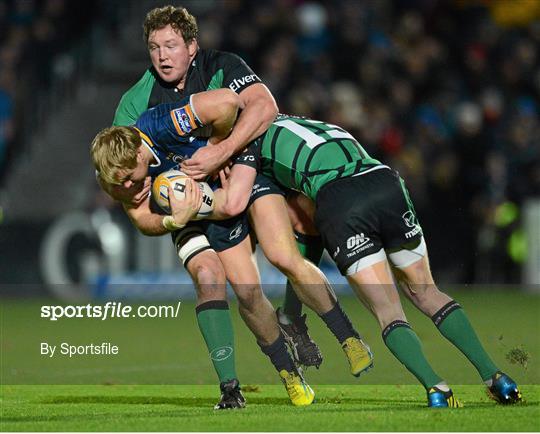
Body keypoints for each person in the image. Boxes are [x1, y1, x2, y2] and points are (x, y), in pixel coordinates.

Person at [201, 113, 522, 408]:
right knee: (426, 291)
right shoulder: (310, 124)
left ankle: (437, 389)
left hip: (340, 199)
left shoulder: (250, 149)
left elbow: (298, 231)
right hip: (385, 180)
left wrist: (293, 314)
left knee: (387, 310)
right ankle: (497, 378)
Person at [92, 90, 375, 407]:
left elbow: (228, 102)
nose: (129, 189)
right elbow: (143, 219)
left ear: (141, 154)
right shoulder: (113, 174)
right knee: (243, 289)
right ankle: (286, 376)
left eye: (132, 179)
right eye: (120, 185)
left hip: (234, 177)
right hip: (195, 213)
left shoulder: (159, 125)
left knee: (283, 256)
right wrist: (174, 220)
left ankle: (348, 338)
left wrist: (218, 149)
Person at [110, 4, 324, 370]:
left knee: (305, 219)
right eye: (154, 47)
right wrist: (169, 219)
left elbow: (264, 107)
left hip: (238, 169)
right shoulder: (133, 105)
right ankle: (232, 385)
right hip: (187, 201)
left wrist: (222, 151)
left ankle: (292, 317)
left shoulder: (221, 66)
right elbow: (125, 187)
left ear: (192, 46)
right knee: (219, 281)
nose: (162, 56)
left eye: (171, 45)